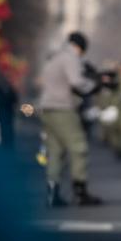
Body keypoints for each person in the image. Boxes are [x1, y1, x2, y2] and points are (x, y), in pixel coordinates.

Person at [38, 32, 103, 207]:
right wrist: (95, 85)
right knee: (78, 147)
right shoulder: (70, 58)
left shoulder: (55, 57)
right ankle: (80, 191)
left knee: (55, 150)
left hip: (47, 108)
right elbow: (76, 81)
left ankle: (52, 192)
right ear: (80, 47)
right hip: (63, 108)